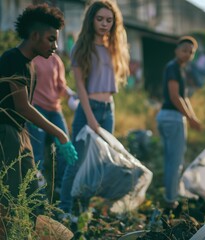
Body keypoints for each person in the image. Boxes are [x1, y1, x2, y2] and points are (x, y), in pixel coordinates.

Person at [0, 3, 77, 237]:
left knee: (33, 194)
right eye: (51, 39)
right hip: (6, 134)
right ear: (35, 36)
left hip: (20, 133)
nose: (55, 46)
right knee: (9, 198)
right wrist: (60, 133)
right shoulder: (11, 59)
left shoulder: (30, 65)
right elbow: (23, 106)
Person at [59, 0, 130, 218]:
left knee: (97, 163)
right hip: (87, 109)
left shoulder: (114, 46)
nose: (104, 24)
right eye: (100, 19)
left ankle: (83, 211)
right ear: (91, 20)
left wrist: (102, 115)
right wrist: (90, 117)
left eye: (109, 20)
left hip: (108, 109)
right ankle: (64, 210)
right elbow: (80, 86)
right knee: (77, 161)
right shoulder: (81, 47)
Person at [156, 36, 202, 210]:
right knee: (175, 162)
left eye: (191, 52)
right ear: (176, 50)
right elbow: (175, 97)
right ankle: (171, 200)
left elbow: (184, 98)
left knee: (171, 161)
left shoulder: (180, 69)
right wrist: (190, 118)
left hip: (169, 117)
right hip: (172, 118)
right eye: (185, 50)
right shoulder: (173, 67)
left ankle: (170, 196)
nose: (188, 54)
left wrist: (192, 117)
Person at [27, 53, 77, 199]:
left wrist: (71, 94)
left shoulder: (55, 60)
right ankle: (38, 198)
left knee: (65, 149)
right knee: (37, 156)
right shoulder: (32, 59)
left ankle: (62, 191)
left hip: (55, 110)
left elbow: (61, 85)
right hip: (37, 109)